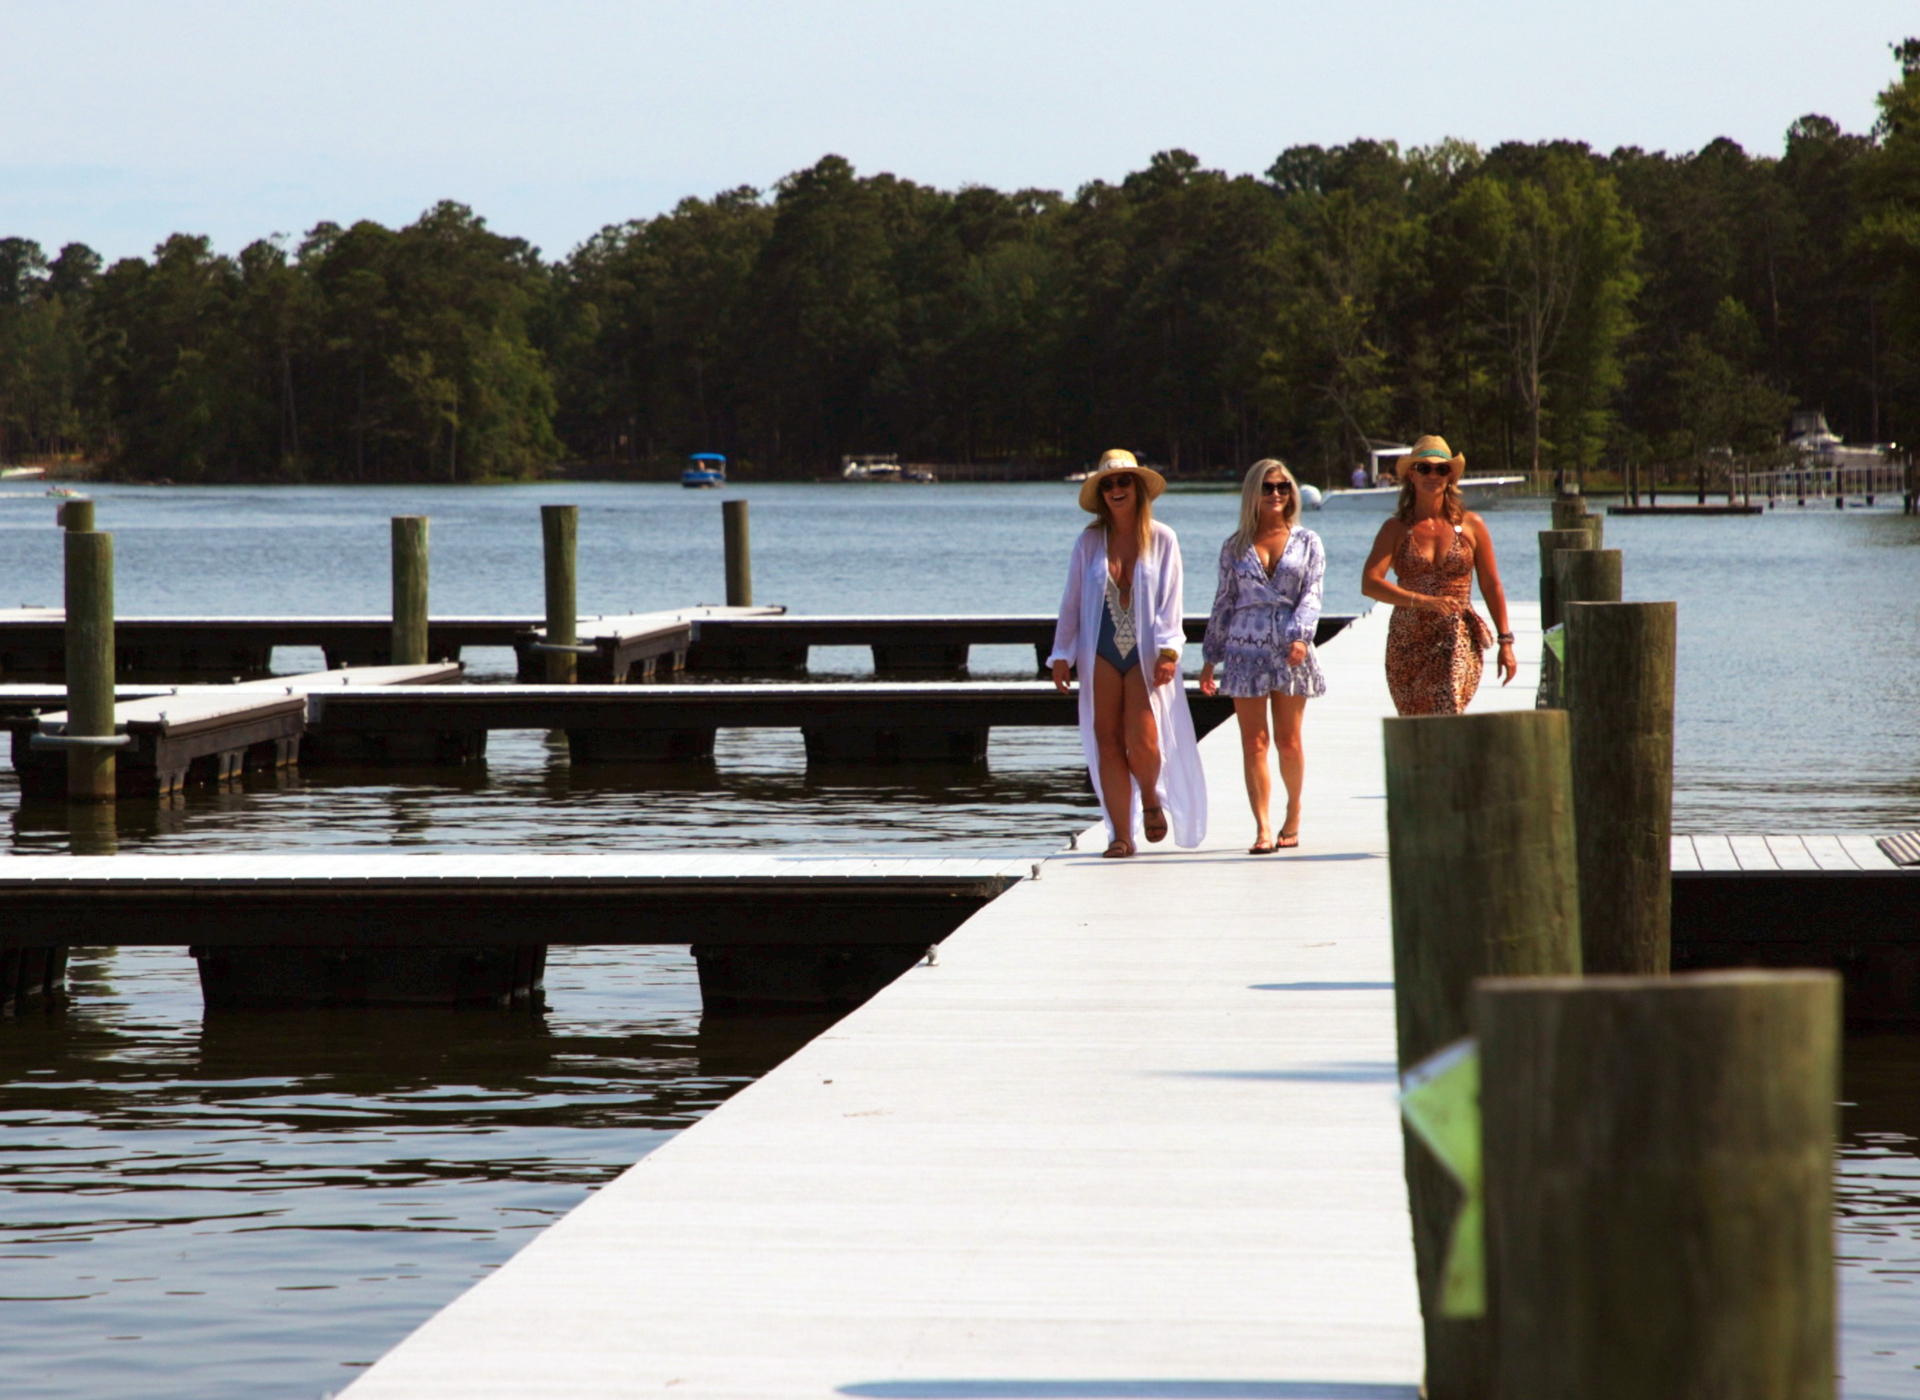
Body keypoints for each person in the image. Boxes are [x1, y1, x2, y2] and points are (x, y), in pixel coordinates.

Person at [1048, 449, 1207, 858]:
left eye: (1123, 482)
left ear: (1137, 488)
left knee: (1143, 738)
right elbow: (1071, 601)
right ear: (1101, 493)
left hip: (1146, 651)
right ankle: (1121, 834)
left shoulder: (1163, 538)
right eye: (1108, 484)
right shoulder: (1088, 541)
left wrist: (1170, 651)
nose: (1116, 490)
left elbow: (1173, 599)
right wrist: (1061, 653)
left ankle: (1151, 797)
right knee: (1107, 740)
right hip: (1098, 651)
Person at [1199, 459, 1326, 853]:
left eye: (1283, 487)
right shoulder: (1234, 546)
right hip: (1243, 648)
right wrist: (1209, 657)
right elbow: (1224, 602)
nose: (1276, 494)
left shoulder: (1308, 542)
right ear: (1253, 492)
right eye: (1268, 487)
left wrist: (1303, 637)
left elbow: (1313, 594)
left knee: (1288, 742)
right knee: (1253, 742)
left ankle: (1293, 812)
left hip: (1290, 646)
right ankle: (1263, 827)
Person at [1360, 434, 1517, 715]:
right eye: (1424, 468)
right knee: (1415, 727)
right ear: (1411, 474)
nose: (1433, 475)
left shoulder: (1472, 525)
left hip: (1456, 635)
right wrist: (1423, 601)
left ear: (1451, 477)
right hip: (1408, 640)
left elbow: (1491, 585)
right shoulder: (1395, 529)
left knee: (1449, 710)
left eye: (1441, 469)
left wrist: (1506, 641)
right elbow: (1370, 584)